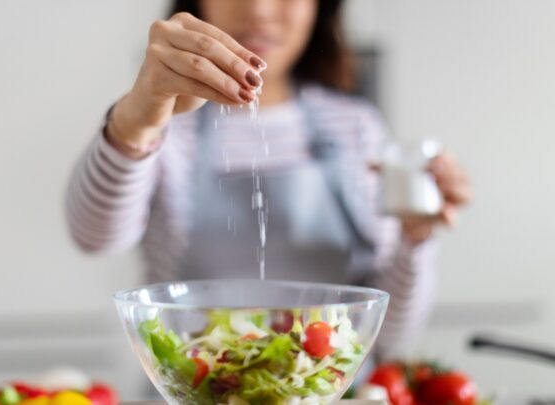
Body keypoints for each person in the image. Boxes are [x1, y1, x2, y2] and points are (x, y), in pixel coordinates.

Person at [66, 0, 471, 358]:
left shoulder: (356, 127)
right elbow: (95, 236)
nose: (259, 10)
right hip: (191, 387)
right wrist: (136, 121)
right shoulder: (171, 126)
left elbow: (388, 337)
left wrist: (416, 239)